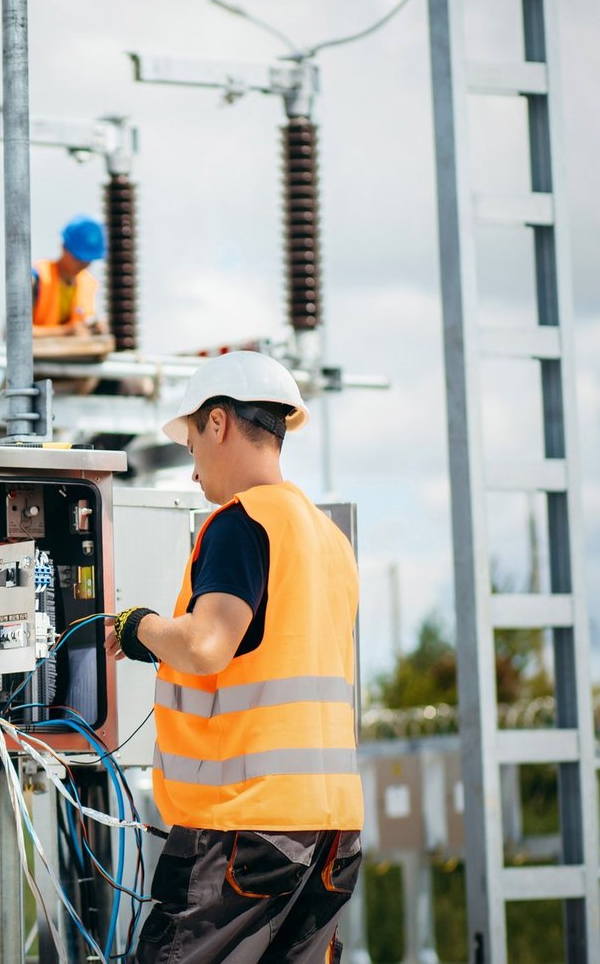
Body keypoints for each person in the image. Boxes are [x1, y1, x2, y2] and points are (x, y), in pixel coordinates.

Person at [106, 351, 362, 964]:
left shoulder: (241, 522)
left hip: (246, 826)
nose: (193, 471)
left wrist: (137, 627)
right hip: (330, 831)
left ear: (217, 423)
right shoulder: (329, 539)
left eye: (192, 444)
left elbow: (206, 644)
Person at [33, 215, 108, 337]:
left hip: (73, 355)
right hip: (37, 355)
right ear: (64, 248)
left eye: (88, 260)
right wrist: (66, 331)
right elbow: (12, 333)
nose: (82, 265)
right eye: (78, 258)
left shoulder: (88, 284)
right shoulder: (38, 278)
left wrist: (95, 329)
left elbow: (86, 321)